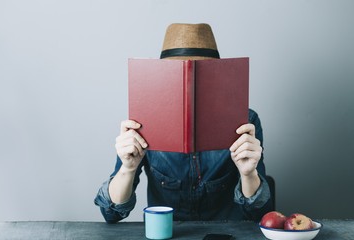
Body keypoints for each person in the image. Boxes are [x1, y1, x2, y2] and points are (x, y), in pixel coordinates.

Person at [94, 23, 273, 223]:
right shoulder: (141, 122)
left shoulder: (245, 121)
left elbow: (260, 214)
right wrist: (127, 169)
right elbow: (111, 213)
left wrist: (248, 174)